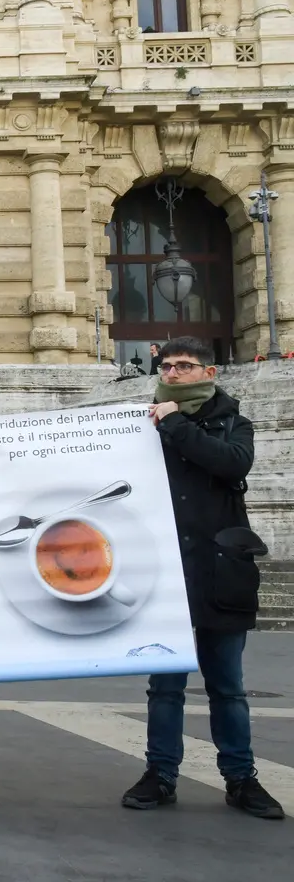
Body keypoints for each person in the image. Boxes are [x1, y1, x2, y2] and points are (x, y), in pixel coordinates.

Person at [118, 337, 283, 819]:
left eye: (184, 366)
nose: (171, 373)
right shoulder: (137, 426)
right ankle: (160, 774)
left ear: (208, 373)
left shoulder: (234, 423)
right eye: (166, 366)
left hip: (220, 571)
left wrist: (174, 422)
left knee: (227, 685)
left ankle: (240, 778)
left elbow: (232, 462)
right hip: (164, 573)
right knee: (164, 686)